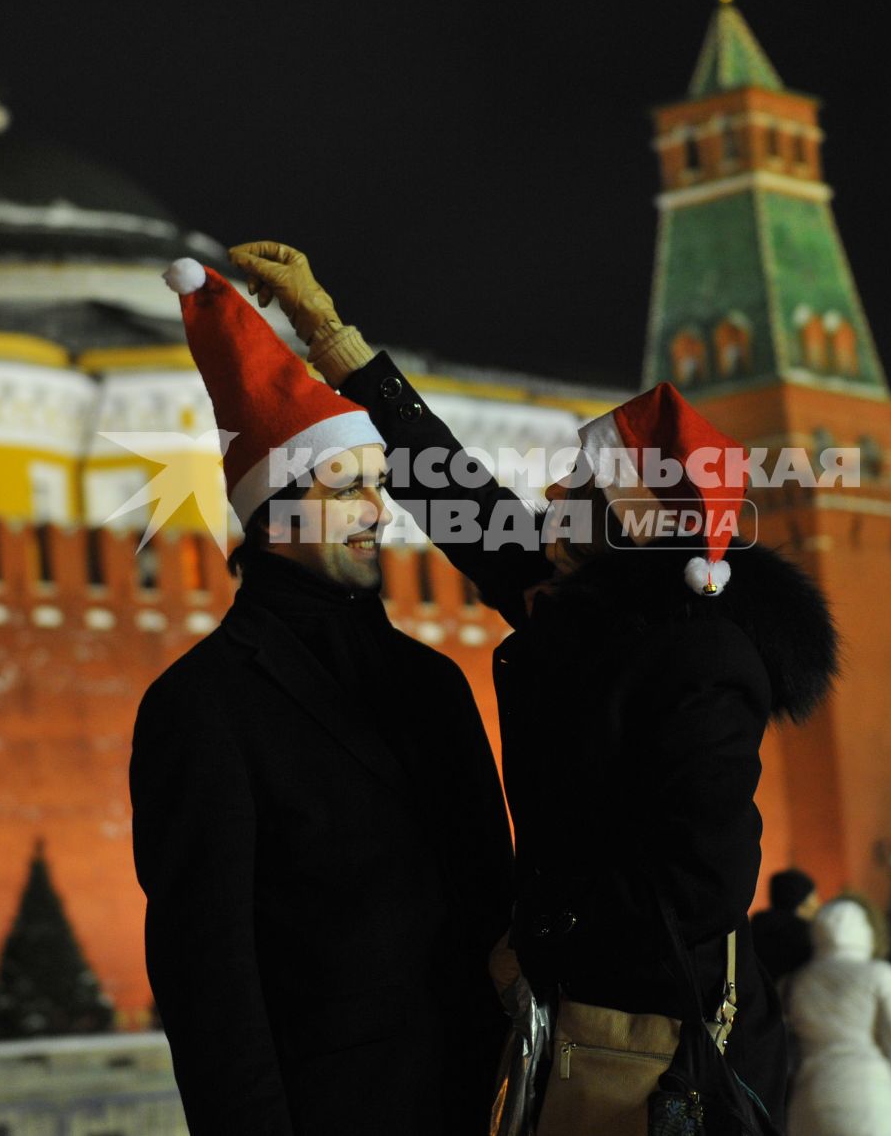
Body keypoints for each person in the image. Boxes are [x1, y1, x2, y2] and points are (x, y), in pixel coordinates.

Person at [230, 240, 840, 1130]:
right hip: (587, 1026)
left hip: (655, 1045)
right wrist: (329, 334)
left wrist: (546, 938)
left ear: (638, 514)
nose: (557, 488)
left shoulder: (698, 657)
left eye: (584, 481)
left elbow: (704, 884)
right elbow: (456, 500)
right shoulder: (588, 611)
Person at [128, 259, 513, 1136]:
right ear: (272, 513)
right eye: (345, 486)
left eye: (377, 484)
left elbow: (497, 907)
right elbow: (208, 977)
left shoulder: (434, 683)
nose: (376, 510)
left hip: (488, 1107)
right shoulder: (203, 705)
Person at [783, 899, 891, 1136]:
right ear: (862, 931)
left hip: (811, 1097)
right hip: (871, 1098)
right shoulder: (878, 974)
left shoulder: (798, 981)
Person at [751, 868, 822, 988]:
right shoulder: (805, 937)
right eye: (814, 896)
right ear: (802, 902)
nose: (819, 903)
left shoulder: (755, 929)